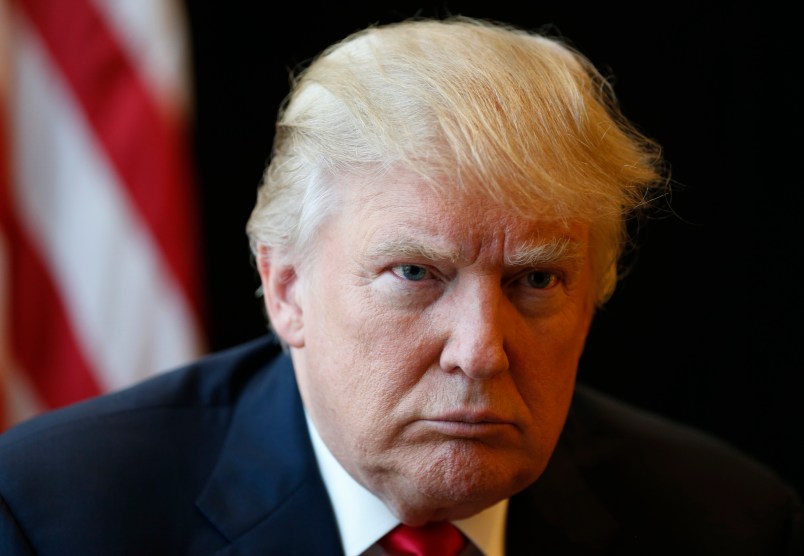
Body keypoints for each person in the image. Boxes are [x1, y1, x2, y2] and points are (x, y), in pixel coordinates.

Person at [0, 16, 801, 556]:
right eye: (415, 274)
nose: (481, 351)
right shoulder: (57, 516)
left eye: (536, 279)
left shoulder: (725, 524)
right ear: (286, 290)